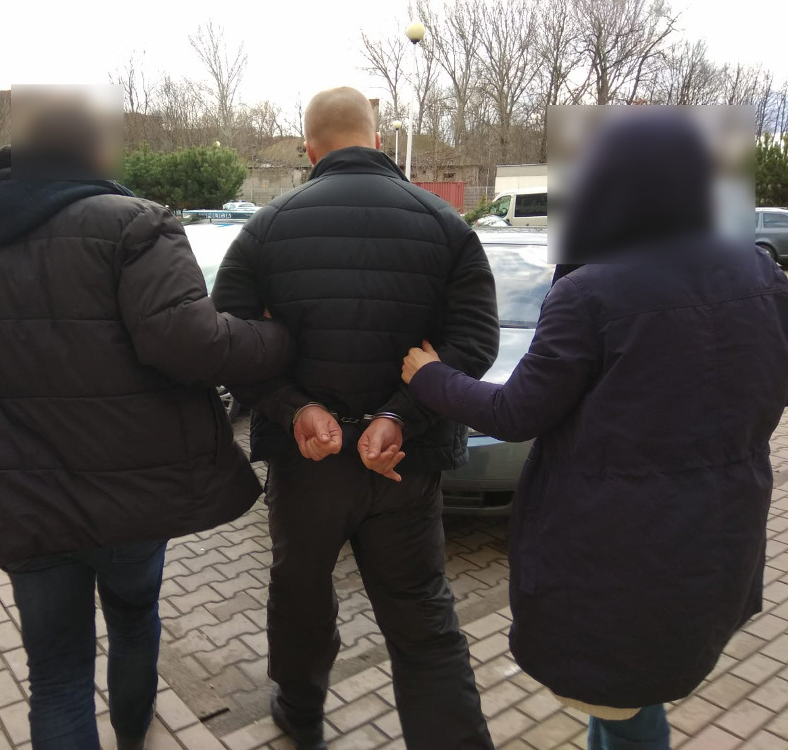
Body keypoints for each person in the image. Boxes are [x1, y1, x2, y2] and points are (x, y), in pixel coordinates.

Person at [0, 89, 293, 750]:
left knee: (56, 676)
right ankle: (134, 736)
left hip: (19, 508)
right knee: (134, 620)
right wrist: (276, 339)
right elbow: (191, 345)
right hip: (130, 498)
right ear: (96, 152)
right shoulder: (135, 227)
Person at [401, 110, 788, 749]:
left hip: (619, 552)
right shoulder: (760, 274)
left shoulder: (594, 294)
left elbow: (515, 413)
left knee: (622, 704)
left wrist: (431, 377)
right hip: (717, 537)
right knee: (627, 698)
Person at [211, 86, 499, 750]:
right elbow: (475, 342)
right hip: (405, 464)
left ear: (308, 149)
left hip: (306, 464)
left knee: (301, 596)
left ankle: (300, 715)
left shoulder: (266, 228)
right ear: (377, 140)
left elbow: (227, 344)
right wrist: (400, 416)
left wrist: (297, 409)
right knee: (423, 619)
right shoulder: (445, 225)